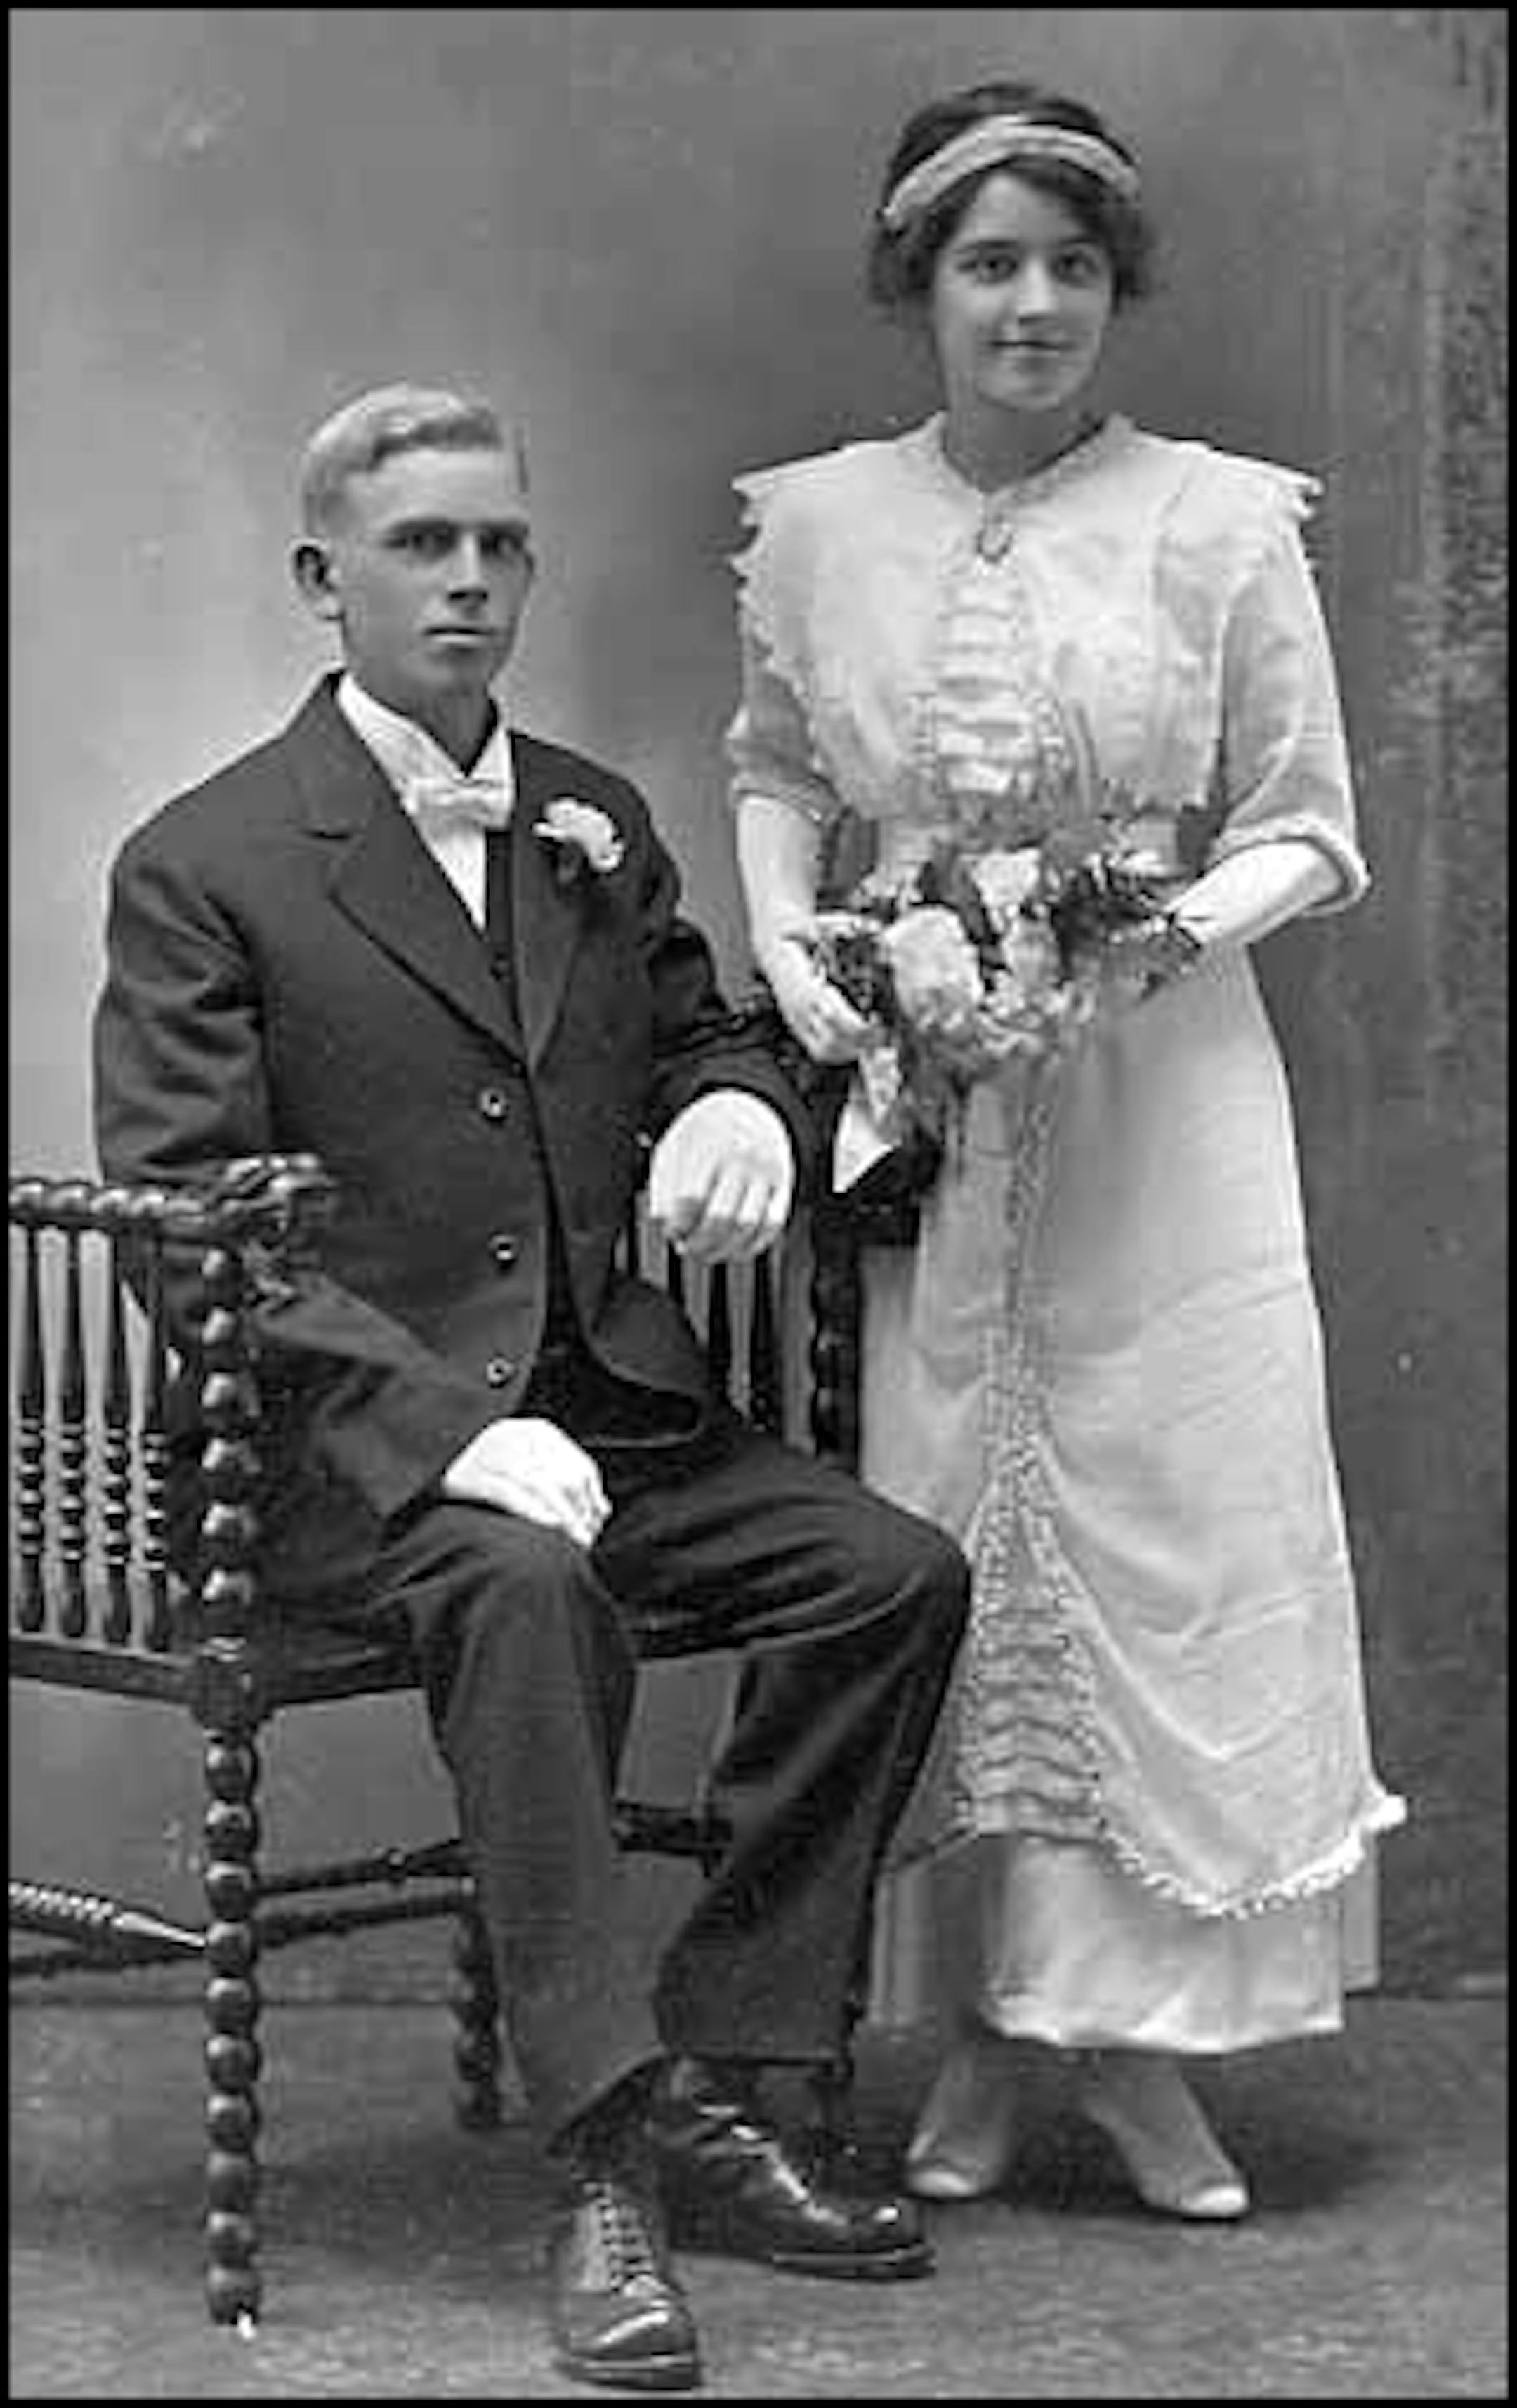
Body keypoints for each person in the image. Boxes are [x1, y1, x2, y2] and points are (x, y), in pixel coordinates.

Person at [91, 381, 971, 2392]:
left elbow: (690, 1032)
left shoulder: (590, 820)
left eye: (500, 543)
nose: (472, 581)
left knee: (888, 1568)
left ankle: (741, 2076)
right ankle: (602, 2159)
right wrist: (441, 1428)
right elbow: (184, 1212)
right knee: (523, 1583)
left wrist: (742, 1097)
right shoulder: (209, 859)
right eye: (423, 547)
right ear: (326, 583)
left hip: (609, 1415)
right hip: (334, 1467)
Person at [729, 81, 1405, 2225]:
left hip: (1158, 1097)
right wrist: (801, 950)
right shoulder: (824, 521)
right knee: (950, 1530)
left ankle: (1143, 2055)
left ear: (1117, 290)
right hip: (933, 1091)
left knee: (1161, 1525)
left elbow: (1311, 827)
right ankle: (995, 2038)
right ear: (917, 285)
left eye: (1073, 267)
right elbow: (768, 765)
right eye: (989, 265)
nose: (1033, 305)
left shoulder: (1218, 521)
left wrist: (1128, 949)